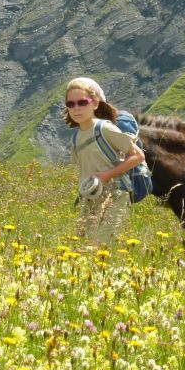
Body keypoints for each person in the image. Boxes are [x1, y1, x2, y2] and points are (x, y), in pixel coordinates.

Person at [64, 77, 145, 247]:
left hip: (115, 195)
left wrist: (106, 175)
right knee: (81, 247)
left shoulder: (105, 128)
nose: (76, 108)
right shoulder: (75, 139)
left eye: (82, 102)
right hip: (90, 198)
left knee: (103, 246)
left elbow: (137, 156)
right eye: (71, 104)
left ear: (95, 103)